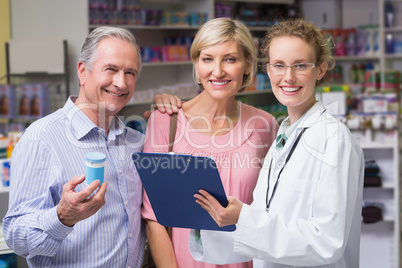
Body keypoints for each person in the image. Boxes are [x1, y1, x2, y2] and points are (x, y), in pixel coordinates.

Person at [191, 18, 364, 268]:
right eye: (279, 65)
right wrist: (209, 222)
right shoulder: (282, 137)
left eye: (300, 65)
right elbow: (261, 234)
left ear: (321, 70)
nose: (289, 77)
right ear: (268, 70)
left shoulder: (334, 139)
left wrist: (244, 218)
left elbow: (327, 242)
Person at [3, 26, 148, 267]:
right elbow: (16, 237)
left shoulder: (135, 142)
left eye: (130, 72)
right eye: (111, 69)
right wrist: (62, 217)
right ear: (83, 71)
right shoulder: (41, 139)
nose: (121, 83)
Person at [141, 18, 278, 268]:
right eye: (207, 59)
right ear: (196, 63)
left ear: (247, 65)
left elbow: (272, 209)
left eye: (230, 59)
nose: (217, 71)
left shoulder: (265, 126)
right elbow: (153, 217)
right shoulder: (165, 122)